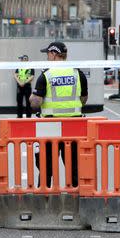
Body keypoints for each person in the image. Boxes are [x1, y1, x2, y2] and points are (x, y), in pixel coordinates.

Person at [29, 41, 88, 187]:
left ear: (54, 54)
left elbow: (36, 103)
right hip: (74, 128)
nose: (47, 57)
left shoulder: (46, 75)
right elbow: (83, 99)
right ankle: (75, 200)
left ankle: (45, 199)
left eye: (48, 54)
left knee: (46, 168)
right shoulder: (78, 74)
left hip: (50, 128)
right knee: (74, 167)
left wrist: (32, 98)